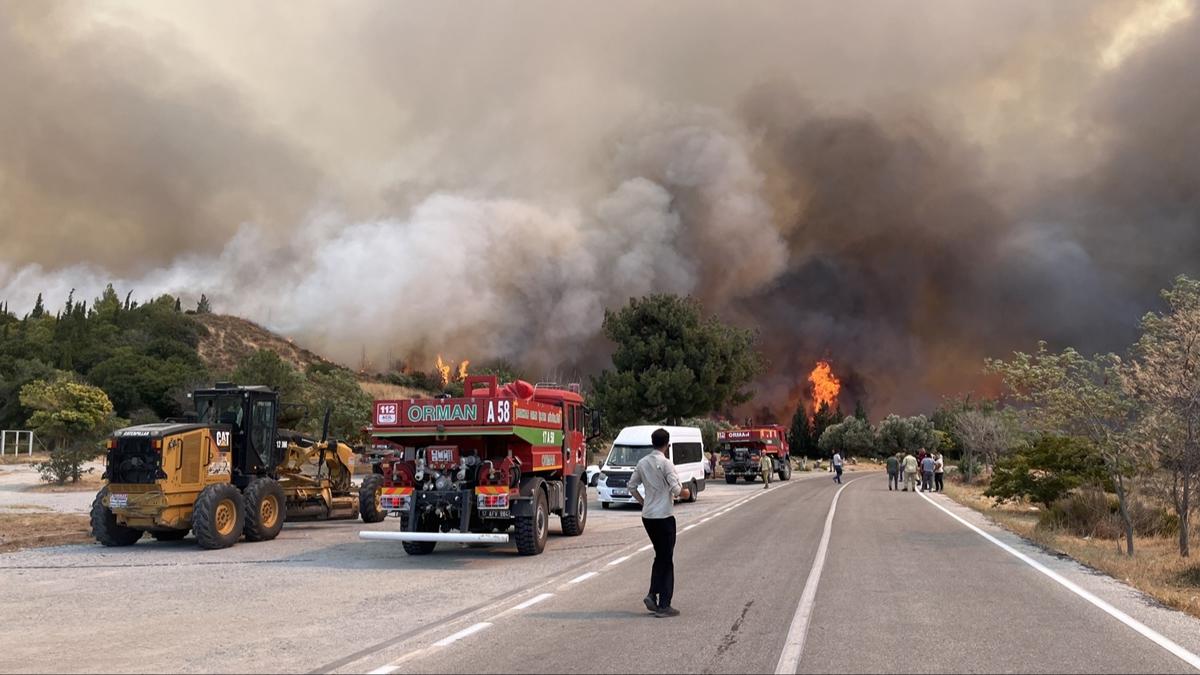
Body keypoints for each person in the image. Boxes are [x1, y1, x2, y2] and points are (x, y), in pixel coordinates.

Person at [628, 428, 688, 618]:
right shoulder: (666, 463)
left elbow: (631, 486)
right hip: (664, 517)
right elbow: (677, 491)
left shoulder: (642, 462)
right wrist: (687, 493)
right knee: (667, 559)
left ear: (652, 443)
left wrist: (643, 502)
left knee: (659, 556)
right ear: (667, 444)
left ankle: (653, 595)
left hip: (648, 517)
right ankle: (664, 604)